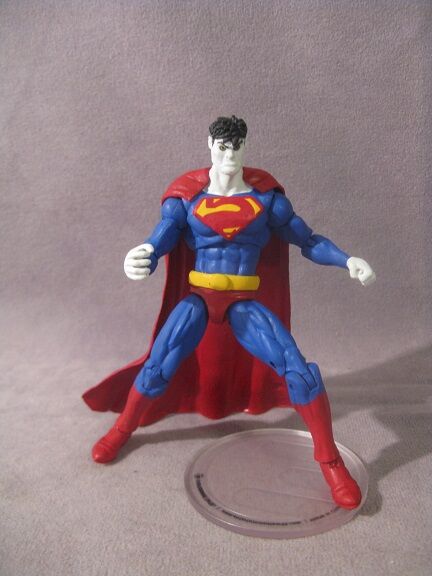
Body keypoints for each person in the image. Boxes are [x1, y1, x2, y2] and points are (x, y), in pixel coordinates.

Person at [83, 115, 376, 510]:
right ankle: (121, 430)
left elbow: (308, 241)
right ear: (210, 145)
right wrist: (142, 256)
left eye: (237, 146)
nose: (230, 154)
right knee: (157, 368)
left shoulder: (267, 201)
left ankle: (330, 462)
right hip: (199, 299)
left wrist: (347, 260)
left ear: (245, 145)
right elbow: (161, 240)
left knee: (300, 374)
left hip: (242, 303)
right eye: (223, 146)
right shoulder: (186, 197)